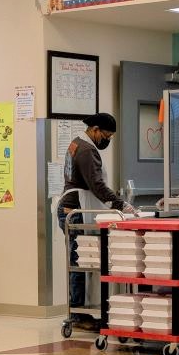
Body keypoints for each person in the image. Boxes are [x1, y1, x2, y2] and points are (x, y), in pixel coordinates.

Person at [55, 113, 127, 326]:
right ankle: (77, 313)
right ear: (95, 130)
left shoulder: (76, 143)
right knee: (78, 261)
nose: (107, 140)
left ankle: (79, 311)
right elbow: (97, 185)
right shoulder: (86, 150)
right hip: (74, 209)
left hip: (70, 205)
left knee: (78, 261)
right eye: (107, 135)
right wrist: (120, 204)